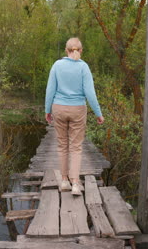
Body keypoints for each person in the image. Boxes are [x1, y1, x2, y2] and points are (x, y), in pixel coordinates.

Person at [44, 37, 104, 196]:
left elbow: (50, 90)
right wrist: (98, 113)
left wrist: (47, 110)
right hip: (78, 109)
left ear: (66, 50)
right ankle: (75, 183)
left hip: (59, 108)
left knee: (62, 145)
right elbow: (90, 93)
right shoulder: (84, 67)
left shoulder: (57, 65)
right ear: (80, 50)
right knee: (76, 147)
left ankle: (64, 181)